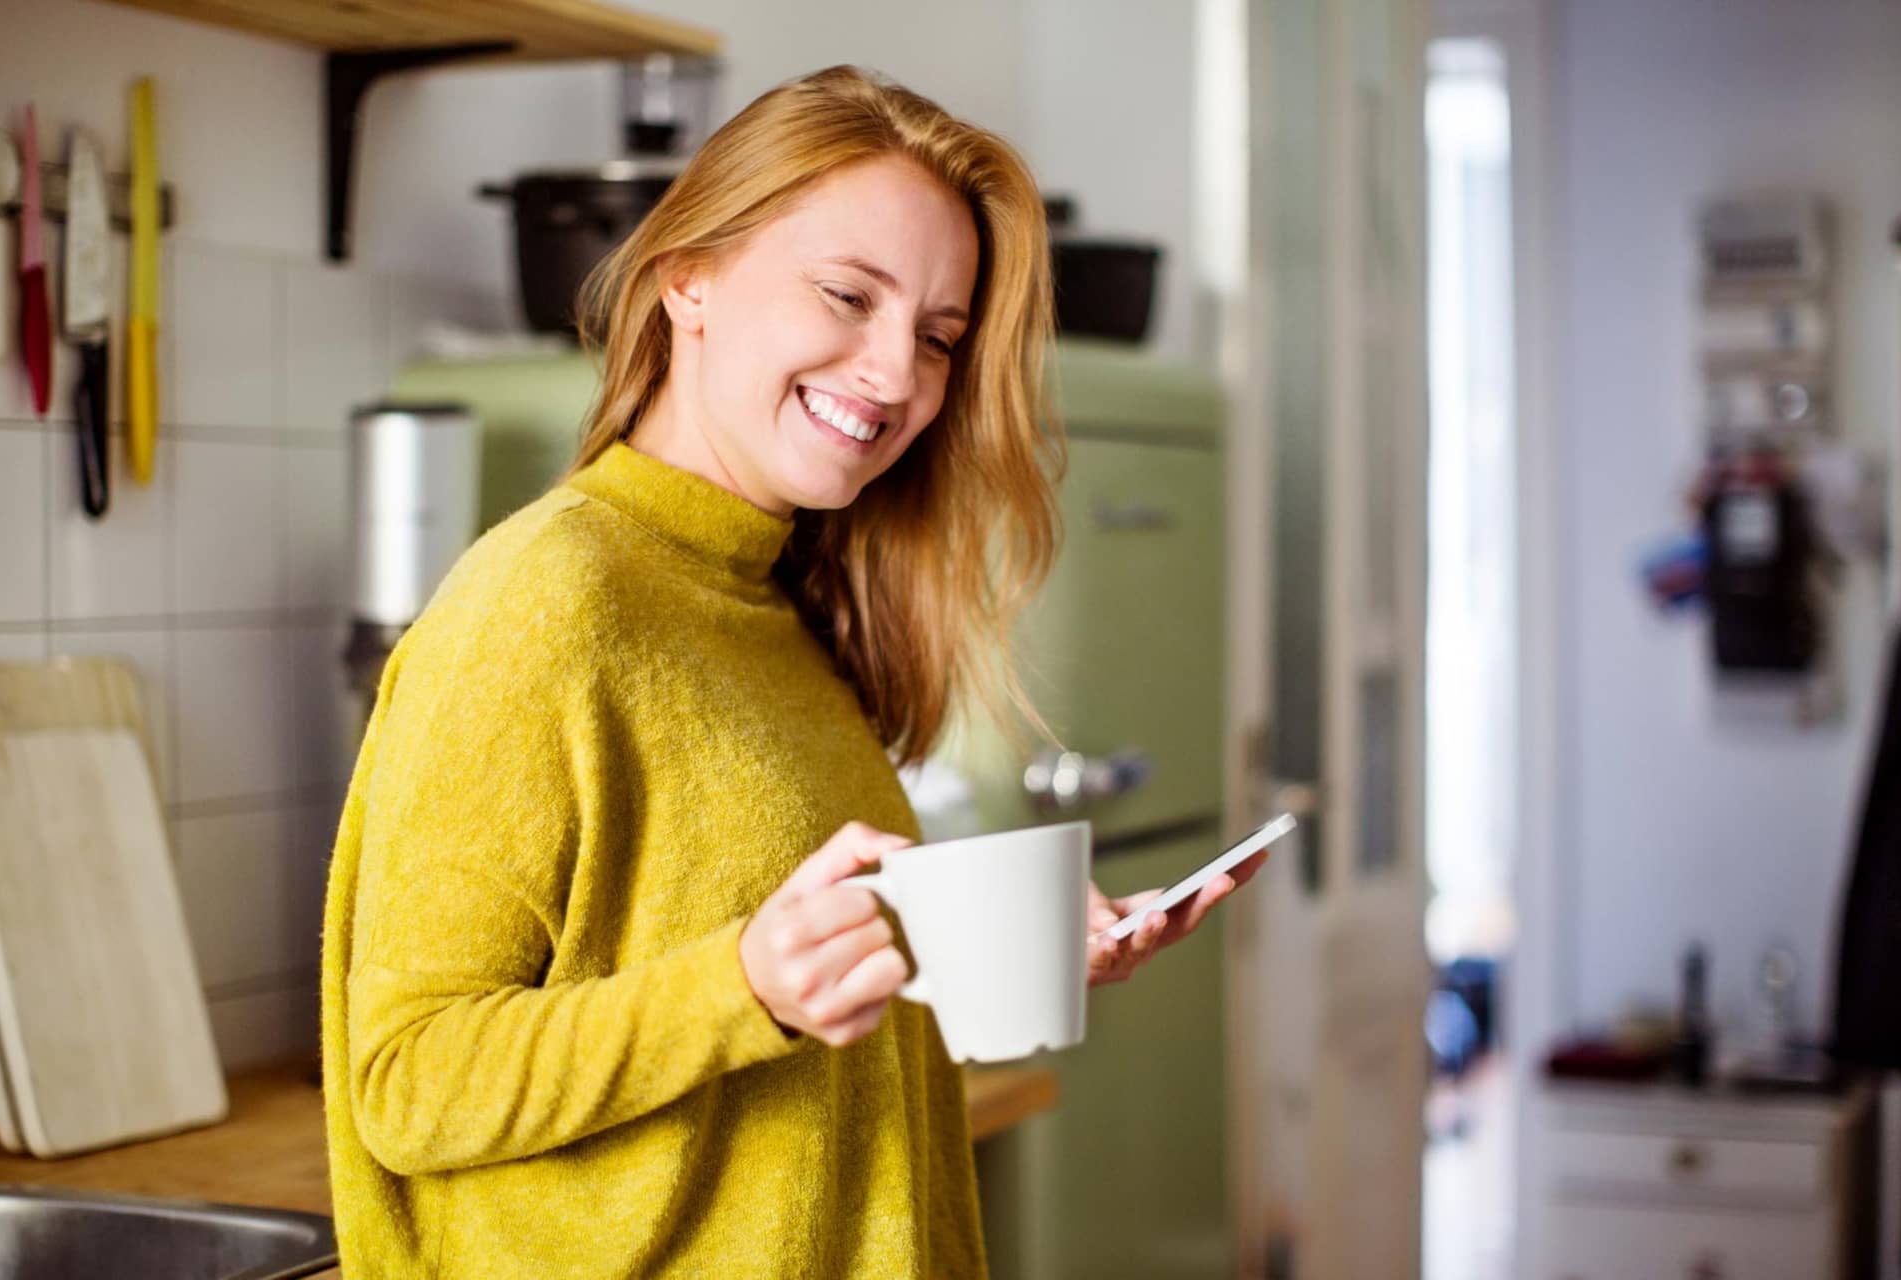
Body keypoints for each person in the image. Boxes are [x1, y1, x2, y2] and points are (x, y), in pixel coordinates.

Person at [319, 63, 1263, 1278]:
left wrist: (982, 934)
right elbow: (409, 1079)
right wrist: (743, 989)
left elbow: (727, 934)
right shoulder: (546, 599)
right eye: (844, 295)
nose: (893, 375)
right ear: (688, 276)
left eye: (935, 337)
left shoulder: (773, 601)